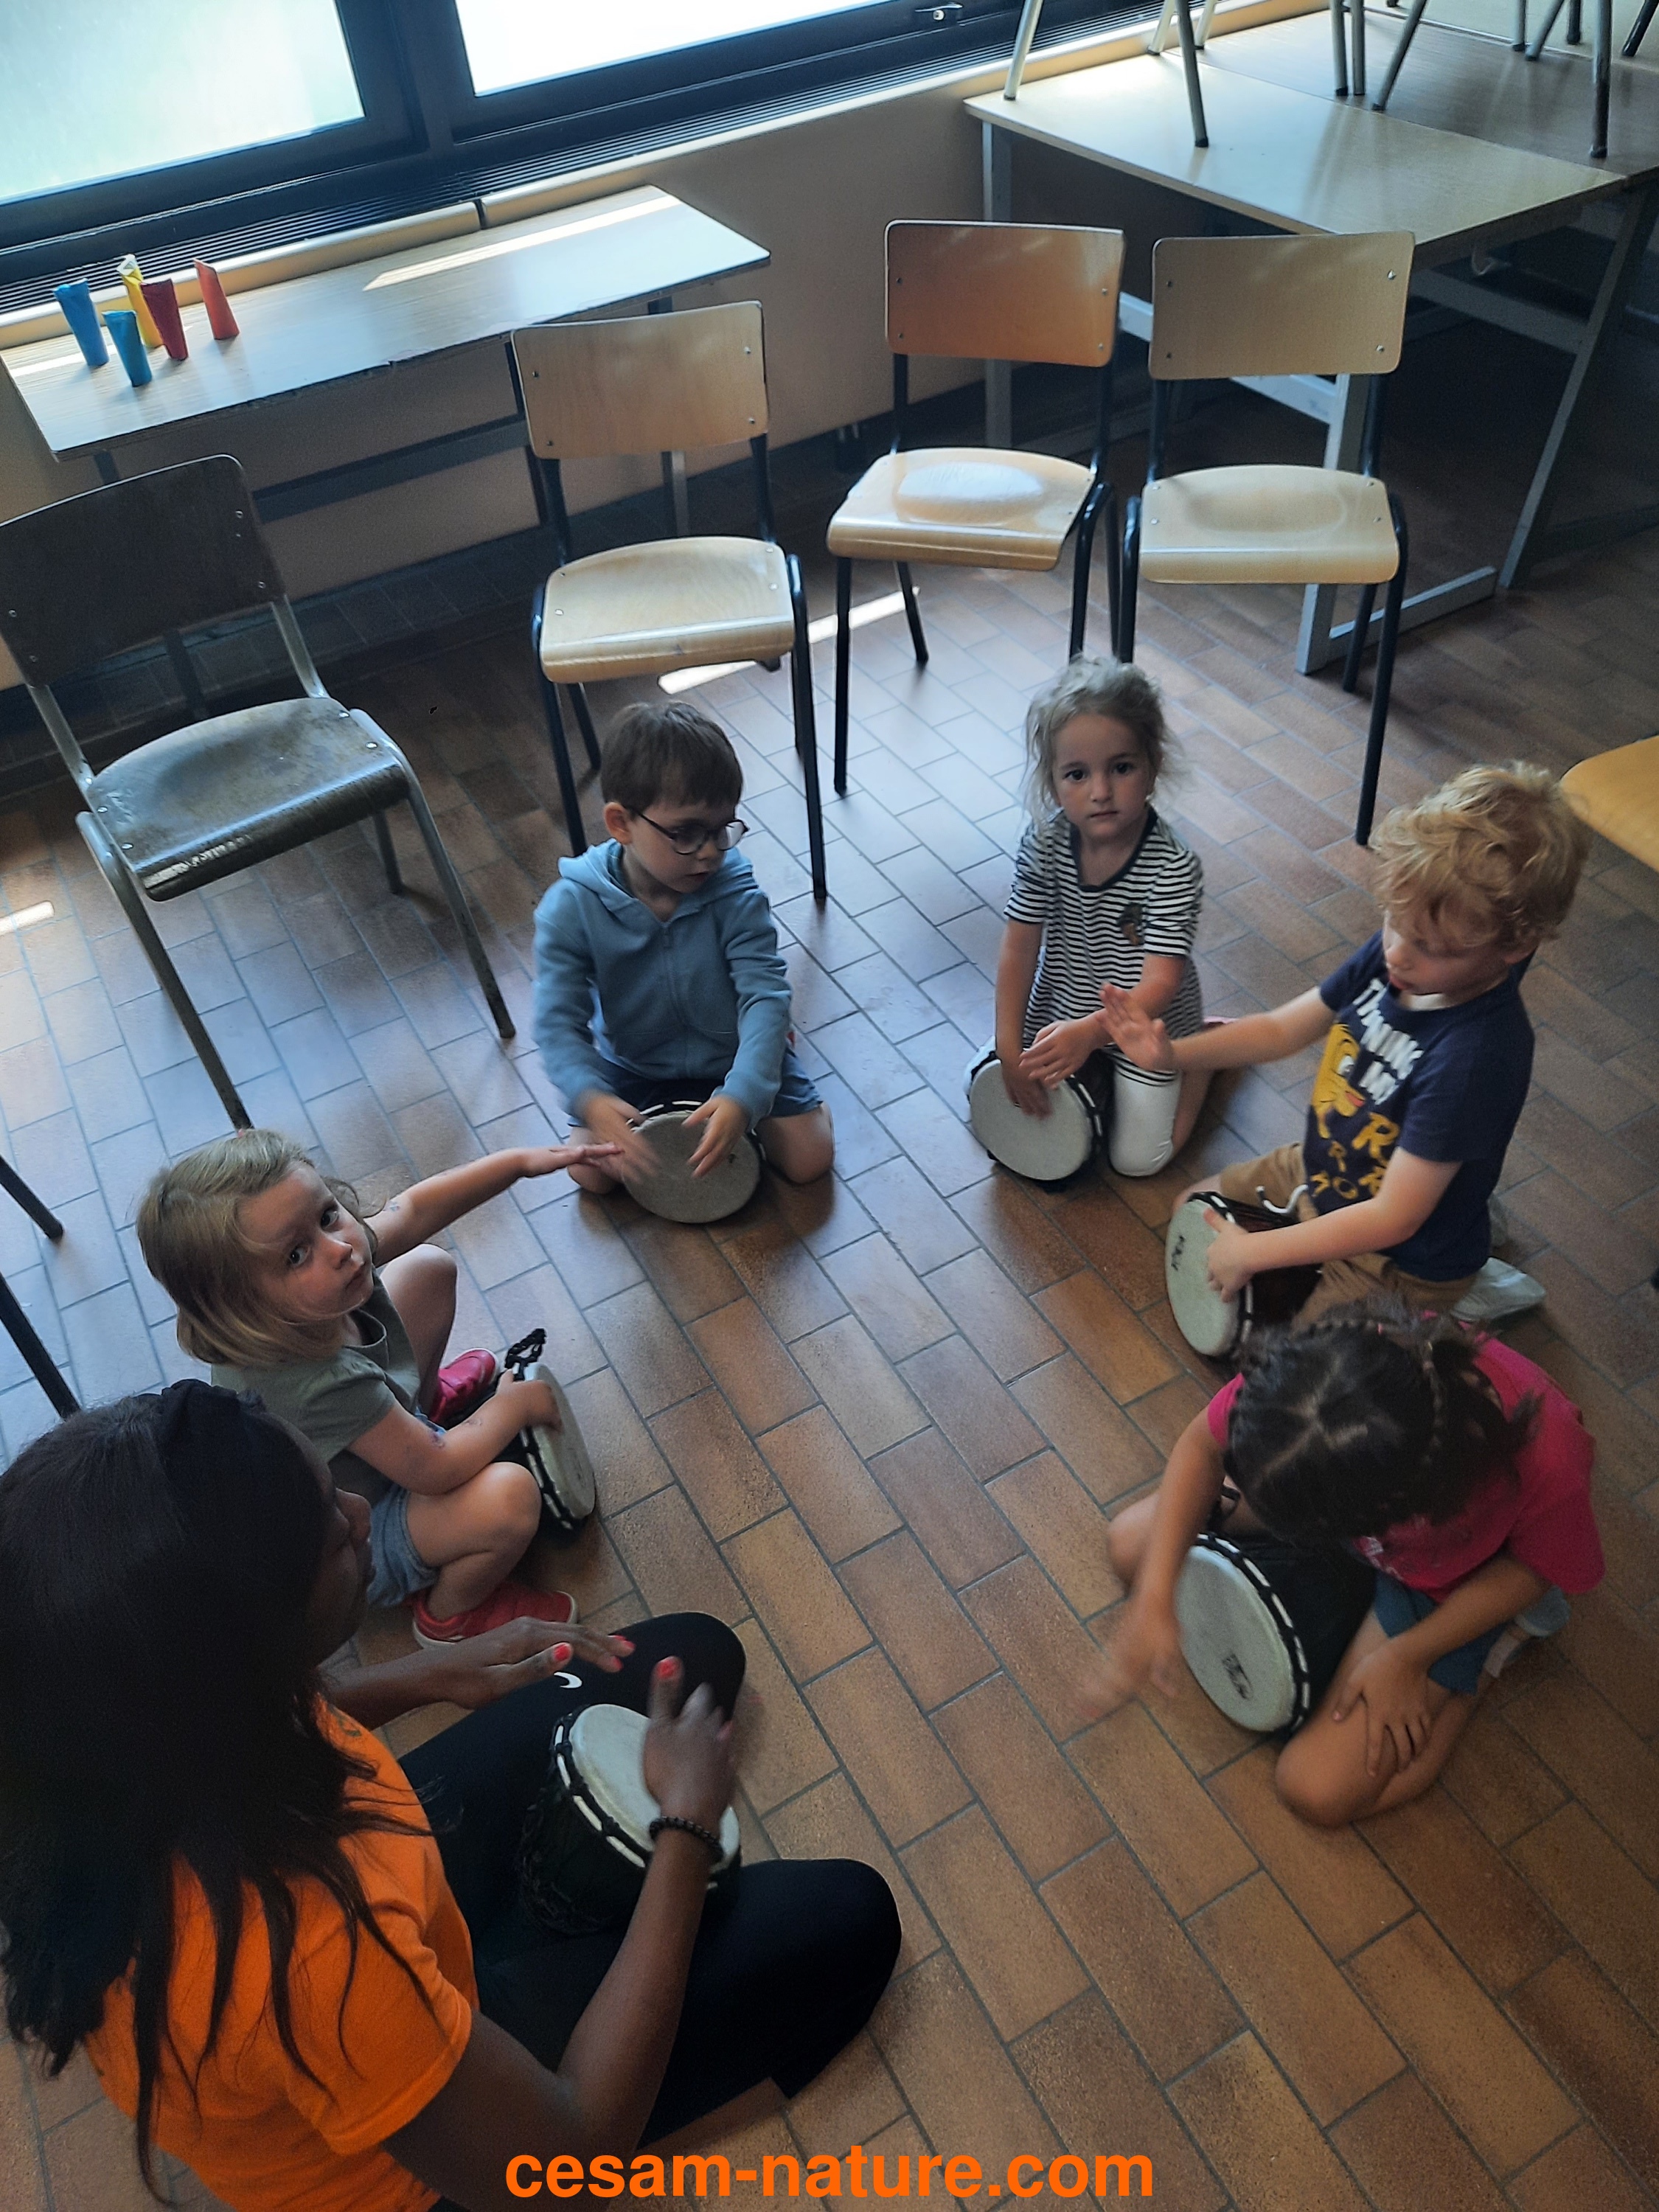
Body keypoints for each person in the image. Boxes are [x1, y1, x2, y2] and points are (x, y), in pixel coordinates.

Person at [0, 1385, 901, 2212]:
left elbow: (274, 1718)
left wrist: (433, 1673)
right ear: (251, 1646)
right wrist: (685, 1828)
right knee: (852, 1919)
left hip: (374, 1914)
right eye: (333, 1530)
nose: (361, 1513)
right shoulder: (309, 1953)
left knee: (692, 1654)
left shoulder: (123, 1736)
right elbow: (569, 2159)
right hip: (436, 2167)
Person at [1100, 762, 1591, 1324]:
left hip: (1397, 1259)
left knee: (1289, 1363)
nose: (1398, 952)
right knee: (1191, 1210)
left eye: (1431, 946)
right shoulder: (1401, 956)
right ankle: (1462, 1214)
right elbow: (1283, 1029)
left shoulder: (1476, 1060)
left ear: (1516, 947)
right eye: (1394, 920)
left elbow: (1393, 1218)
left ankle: (1457, 1288)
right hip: (1322, 1171)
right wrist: (1172, 1056)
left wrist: (1256, 1251)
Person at [1088, 1301, 1603, 1824]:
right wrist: (1154, 1598)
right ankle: (1353, 1599)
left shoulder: (1548, 1460)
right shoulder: (1328, 1371)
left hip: (1449, 1579)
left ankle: (1490, 1656)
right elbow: (1203, 1444)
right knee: (1132, 1548)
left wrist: (1408, 1658)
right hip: (1356, 1501)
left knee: (1315, 1789)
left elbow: (1533, 1573)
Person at [137, 1130, 617, 1647]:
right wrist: (510, 1408)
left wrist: (519, 1161)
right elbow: (438, 1469)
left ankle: (413, 1414)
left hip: (370, 1447)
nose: (341, 1248)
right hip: (359, 1533)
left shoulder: (316, 1278)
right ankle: (452, 1614)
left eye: (327, 1215)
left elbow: (412, 1211)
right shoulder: (312, 1382)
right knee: (510, 1499)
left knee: (427, 1267)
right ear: (242, 1307)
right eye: (296, 1256)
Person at [533, 700, 833, 1196]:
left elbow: (765, 995)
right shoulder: (571, 906)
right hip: (635, 1064)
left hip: (732, 1055)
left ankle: (766, 1079)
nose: (711, 851)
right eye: (688, 833)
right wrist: (590, 1099)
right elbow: (556, 1022)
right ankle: (713, 1116)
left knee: (810, 1159)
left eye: (722, 829)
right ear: (620, 823)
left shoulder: (736, 893)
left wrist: (744, 1094)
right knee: (589, 1172)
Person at [992, 656, 1208, 1178]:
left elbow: (1160, 984)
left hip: (1145, 1028)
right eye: (1077, 774)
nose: (1101, 791)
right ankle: (1101, 1087)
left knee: (1137, 1162)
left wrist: (1091, 1035)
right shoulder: (1044, 843)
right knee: (996, 1091)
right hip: (1062, 1008)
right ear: (1053, 783)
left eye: (1121, 768)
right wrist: (1008, 1047)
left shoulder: (1173, 866)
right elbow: (1019, 949)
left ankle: (1203, 1061)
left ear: (1153, 766)